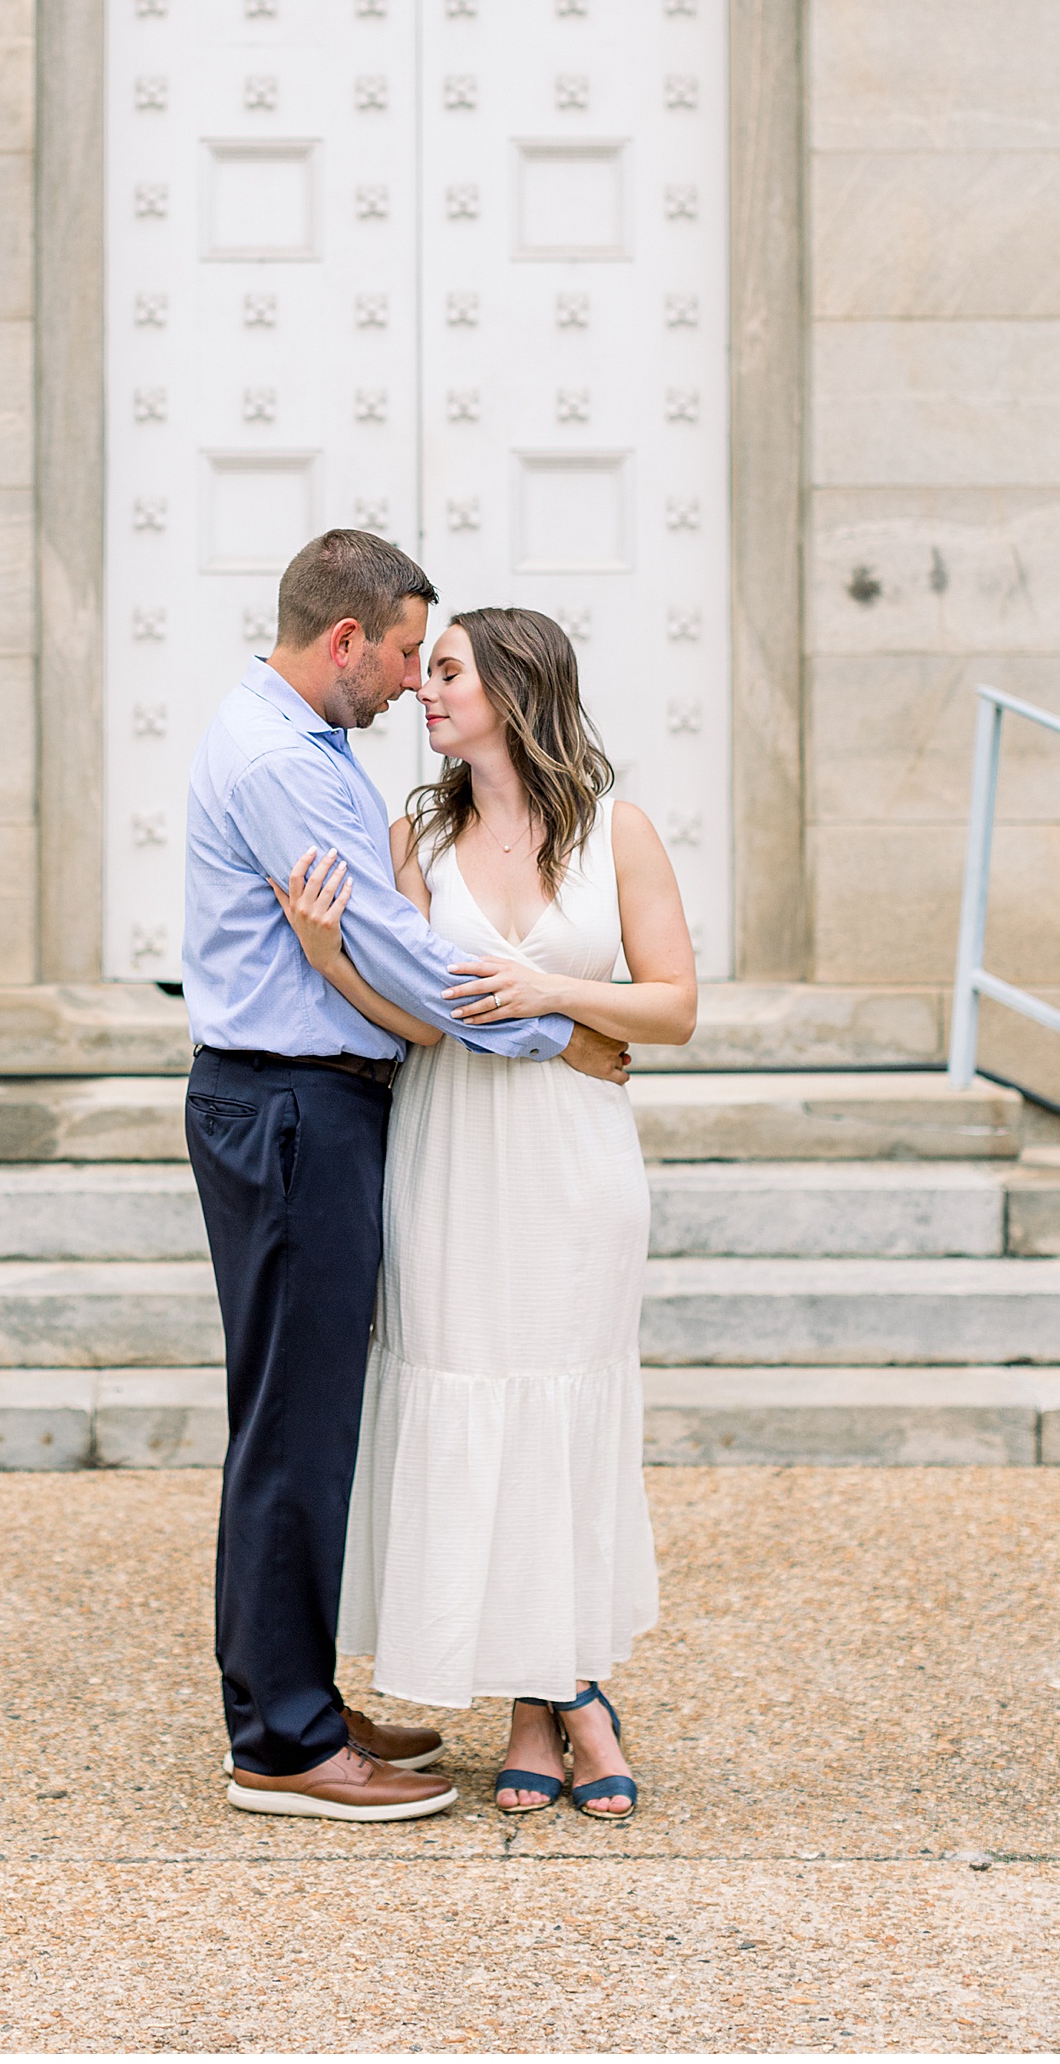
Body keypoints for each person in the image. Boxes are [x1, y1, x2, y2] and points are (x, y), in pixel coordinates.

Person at [180, 530, 633, 1824]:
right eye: (396, 659)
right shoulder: (285, 762)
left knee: (304, 1414)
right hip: (288, 1108)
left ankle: (293, 1698)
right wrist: (568, 1032)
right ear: (344, 640)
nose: (404, 690)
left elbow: (380, 968)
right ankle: (282, 1744)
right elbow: (400, 953)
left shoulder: (303, 748)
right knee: (292, 1425)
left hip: (301, 1104)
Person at [274, 605, 697, 1820]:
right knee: (470, 1392)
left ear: (514, 688)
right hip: (453, 1153)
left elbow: (672, 1007)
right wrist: (330, 956)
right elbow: (413, 1012)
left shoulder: (620, 832)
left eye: (448, 669)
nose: (425, 688)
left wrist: (551, 991)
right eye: (425, 667)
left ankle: (570, 1691)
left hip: (576, 1166)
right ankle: (537, 1702)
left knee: (562, 1414)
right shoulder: (420, 832)